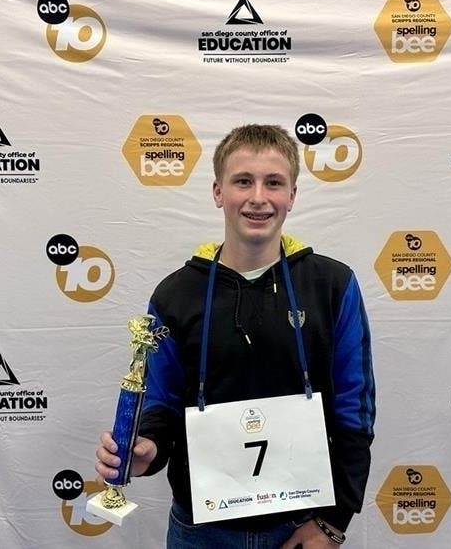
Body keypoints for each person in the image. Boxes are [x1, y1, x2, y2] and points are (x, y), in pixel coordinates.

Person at [96, 124, 376, 548]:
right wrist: (147, 447)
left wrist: (332, 523)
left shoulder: (332, 286)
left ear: (293, 195)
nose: (258, 197)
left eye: (274, 183)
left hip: (302, 526)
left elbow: (354, 411)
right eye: (243, 181)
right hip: (200, 531)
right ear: (217, 192)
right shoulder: (176, 294)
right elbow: (162, 400)